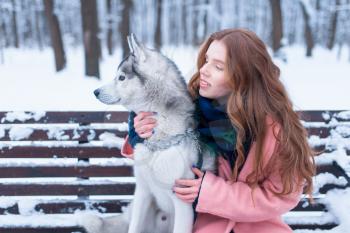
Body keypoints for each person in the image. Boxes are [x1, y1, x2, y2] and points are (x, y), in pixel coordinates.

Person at [120, 28, 316, 233]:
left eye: (218, 66)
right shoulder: (187, 108)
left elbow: (282, 195)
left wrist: (212, 192)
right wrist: (138, 133)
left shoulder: (274, 129)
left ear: (244, 76)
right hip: (206, 227)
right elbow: (150, 156)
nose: (204, 70)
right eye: (206, 60)